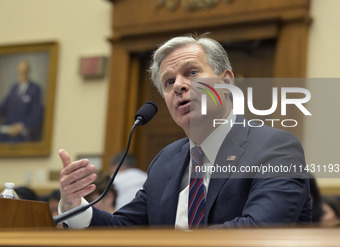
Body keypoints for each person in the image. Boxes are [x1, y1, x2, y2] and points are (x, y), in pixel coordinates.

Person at [57, 34, 311, 229]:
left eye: (192, 72)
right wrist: (74, 205)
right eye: (169, 82)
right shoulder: (166, 160)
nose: (179, 85)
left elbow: (259, 229)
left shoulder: (275, 148)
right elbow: (125, 228)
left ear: (226, 81)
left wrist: (173, 245)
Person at [0, 60, 43, 142]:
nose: (22, 74)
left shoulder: (35, 89)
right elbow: (3, 106)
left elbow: (37, 115)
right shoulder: (14, 88)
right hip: (7, 129)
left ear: (28, 72)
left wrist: (21, 126)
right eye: (19, 72)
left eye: (24, 71)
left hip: (22, 133)